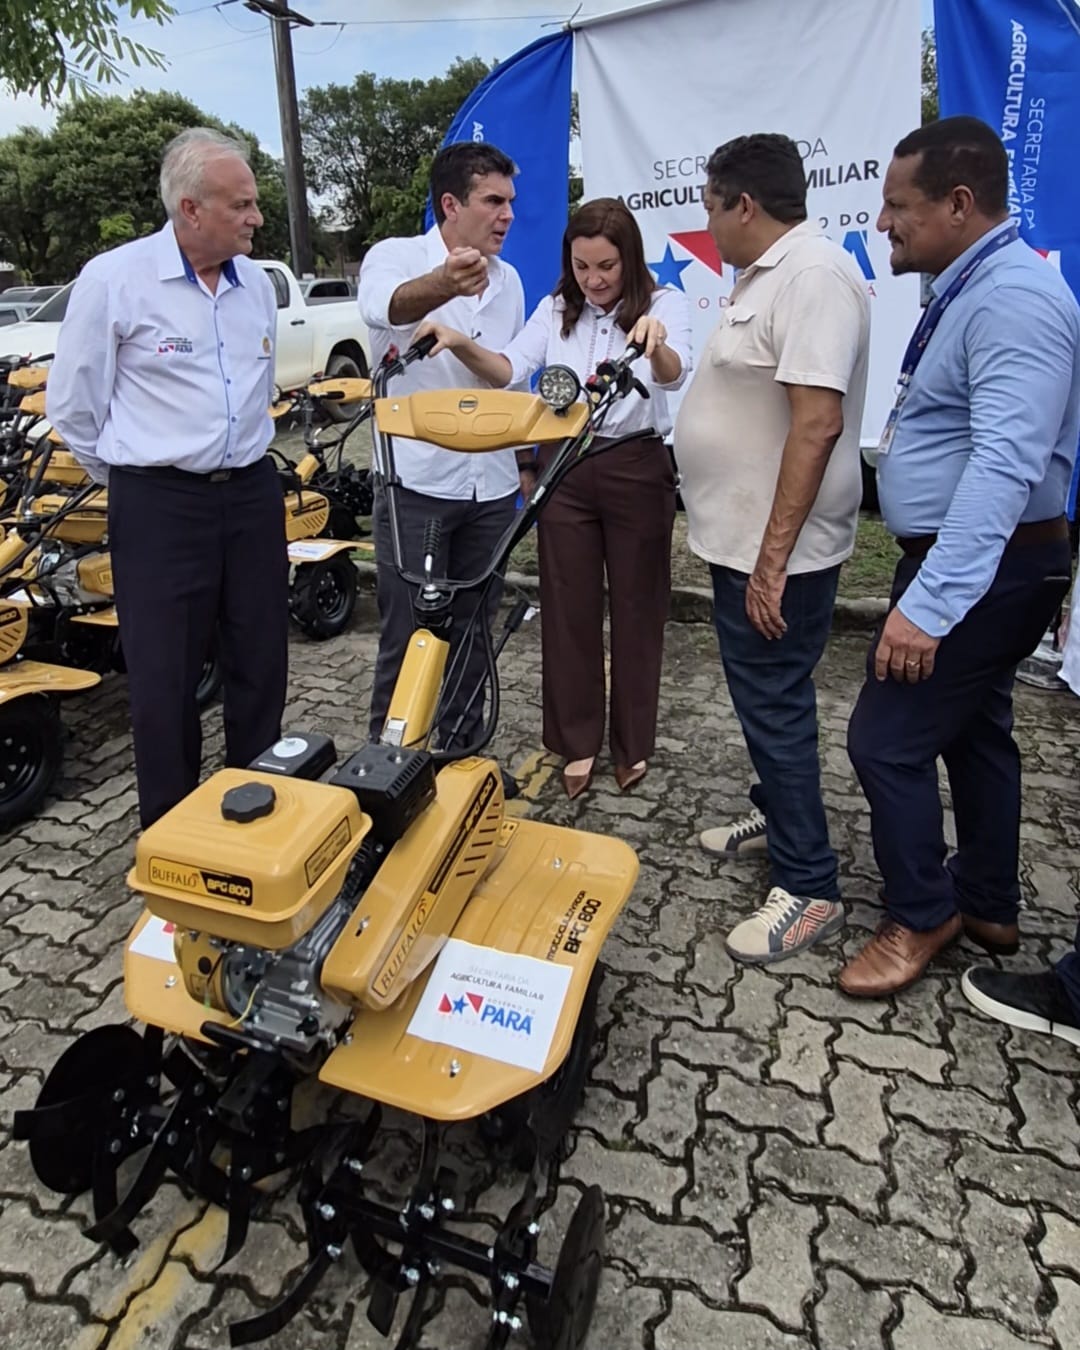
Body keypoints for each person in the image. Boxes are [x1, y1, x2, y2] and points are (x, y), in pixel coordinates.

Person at [843, 116, 1080, 998]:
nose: (882, 223)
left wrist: (929, 604)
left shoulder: (1013, 300)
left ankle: (921, 912)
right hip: (988, 562)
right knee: (977, 733)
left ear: (959, 202)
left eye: (897, 206)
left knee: (885, 742)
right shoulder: (979, 288)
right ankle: (987, 901)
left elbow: (1007, 465)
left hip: (979, 567)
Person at [47, 127, 287, 829]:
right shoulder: (116, 280)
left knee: (259, 666)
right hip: (158, 506)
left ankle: (257, 823)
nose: (256, 217)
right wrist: (141, 477)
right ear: (191, 209)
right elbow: (74, 406)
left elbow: (256, 389)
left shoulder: (257, 289)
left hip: (249, 495)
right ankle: (175, 840)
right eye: (242, 205)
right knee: (163, 682)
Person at [414, 197, 692, 797]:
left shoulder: (663, 305)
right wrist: (457, 340)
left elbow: (672, 372)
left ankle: (632, 744)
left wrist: (654, 340)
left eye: (608, 268)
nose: (594, 280)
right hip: (563, 466)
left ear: (631, 260)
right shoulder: (556, 308)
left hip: (635, 465)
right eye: (583, 266)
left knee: (639, 610)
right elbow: (508, 368)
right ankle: (575, 741)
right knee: (567, 608)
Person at [674, 133, 870, 964]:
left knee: (777, 707)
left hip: (775, 552)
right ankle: (776, 813)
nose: (708, 223)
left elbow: (817, 423)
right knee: (763, 704)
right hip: (745, 541)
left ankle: (811, 885)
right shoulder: (768, 276)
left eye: (711, 206)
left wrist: (772, 560)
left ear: (743, 203)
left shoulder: (814, 275)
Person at [358, 142, 527, 754]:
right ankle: (389, 765)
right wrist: (442, 282)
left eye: (511, 202)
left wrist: (526, 465)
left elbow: (508, 375)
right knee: (410, 633)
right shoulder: (396, 257)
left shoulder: (509, 281)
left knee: (475, 630)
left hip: (492, 484)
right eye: (494, 201)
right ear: (451, 204)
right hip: (418, 486)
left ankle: (457, 755)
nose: (507, 214)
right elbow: (383, 307)